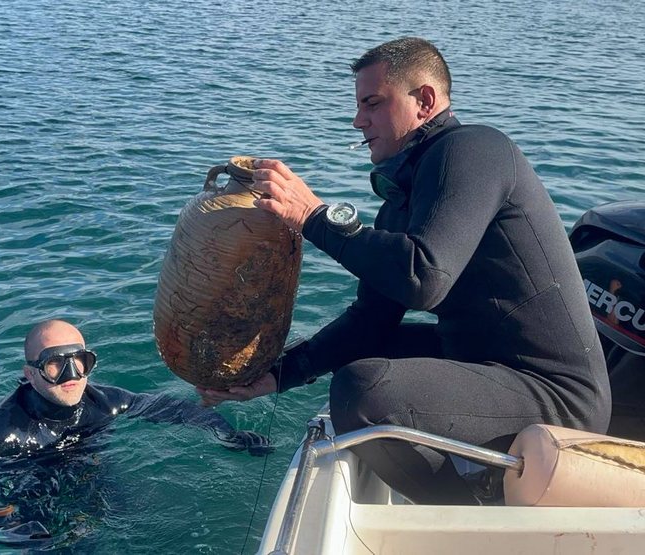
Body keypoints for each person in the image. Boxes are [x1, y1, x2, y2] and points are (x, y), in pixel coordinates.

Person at [197, 37, 611, 504]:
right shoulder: (405, 197)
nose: (358, 121)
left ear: (425, 101)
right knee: (362, 359)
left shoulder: (474, 150)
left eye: (372, 103)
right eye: (357, 106)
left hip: (557, 396)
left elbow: (424, 277)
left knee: (363, 392)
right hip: (487, 365)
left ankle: (469, 520)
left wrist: (313, 216)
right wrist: (277, 375)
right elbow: (370, 321)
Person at [0, 319, 270, 545]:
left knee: (150, 529)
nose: (72, 375)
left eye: (81, 362)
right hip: (31, 493)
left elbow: (174, 408)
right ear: (31, 374)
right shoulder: (4, 431)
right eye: (54, 364)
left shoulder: (101, 401)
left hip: (91, 476)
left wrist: (227, 434)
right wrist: (9, 528)